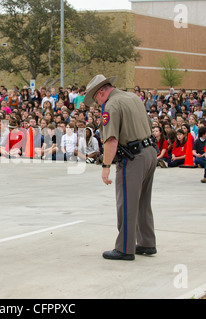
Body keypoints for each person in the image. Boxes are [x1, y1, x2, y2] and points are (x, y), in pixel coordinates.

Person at [84, 74, 157, 261]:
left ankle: (125, 248)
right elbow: (149, 125)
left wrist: (106, 166)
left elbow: (111, 140)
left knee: (126, 203)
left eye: (95, 99)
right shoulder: (132, 97)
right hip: (149, 152)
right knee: (143, 202)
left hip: (133, 157)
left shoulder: (112, 105)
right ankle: (147, 243)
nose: (96, 103)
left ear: (101, 92)